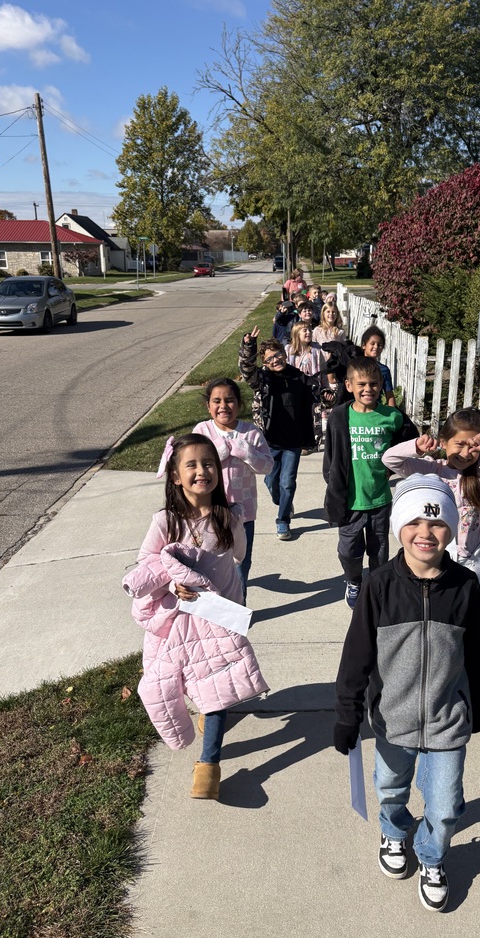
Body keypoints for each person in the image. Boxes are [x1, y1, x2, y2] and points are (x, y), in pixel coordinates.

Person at [332, 474, 480, 911]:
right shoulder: (378, 585)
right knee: (390, 788)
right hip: (393, 718)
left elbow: (478, 652)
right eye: (415, 523)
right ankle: (394, 831)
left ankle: (433, 855)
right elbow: (357, 656)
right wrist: (347, 713)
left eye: (439, 524)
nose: (426, 533)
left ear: (452, 529)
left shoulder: (464, 586)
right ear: (400, 526)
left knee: (445, 806)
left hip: (448, 719)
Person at [122, 434, 268, 801]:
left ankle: (209, 764)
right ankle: (204, 717)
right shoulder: (164, 522)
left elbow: (238, 556)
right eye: (192, 465)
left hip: (218, 618)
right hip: (176, 622)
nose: (202, 471)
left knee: (214, 687)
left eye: (209, 464)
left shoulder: (227, 516)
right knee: (184, 682)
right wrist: (172, 585)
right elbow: (147, 565)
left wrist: (232, 609)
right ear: (175, 476)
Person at [382, 407, 480, 635]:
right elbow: (389, 459)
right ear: (444, 442)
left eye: (473, 446)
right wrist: (416, 447)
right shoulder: (431, 469)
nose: (466, 452)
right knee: (445, 616)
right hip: (439, 559)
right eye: (459, 444)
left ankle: (477, 657)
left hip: (474, 559)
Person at [323, 356, 418, 608]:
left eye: (374, 384)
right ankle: (354, 580)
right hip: (350, 501)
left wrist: (392, 468)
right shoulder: (339, 416)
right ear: (349, 385)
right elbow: (330, 455)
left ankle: (378, 588)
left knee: (379, 552)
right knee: (348, 551)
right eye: (362, 384)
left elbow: (411, 441)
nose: (368, 389)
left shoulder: (392, 416)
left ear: (381, 384)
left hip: (379, 499)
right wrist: (332, 482)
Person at [239, 328, 332, 540]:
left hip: (294, 441)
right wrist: (249, 346)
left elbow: (320, 396)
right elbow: (246, 369)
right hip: (269, 441)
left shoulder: (300, 377)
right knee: (271, 482)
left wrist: (328, 396)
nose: (275, 360)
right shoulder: (262, 379)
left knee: (288, 481)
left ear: (285, 353)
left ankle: (283, 520)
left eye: (278, 355)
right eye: (270, 358)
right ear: (264, 362)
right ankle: (284, 502)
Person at [193, 378, 273, 599]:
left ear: (239, 404)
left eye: (229, 400)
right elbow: (190, 464)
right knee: (208, 563)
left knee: (240, 565)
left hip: (243, 514)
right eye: (216, 401)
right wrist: (215, 455)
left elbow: (267, 466)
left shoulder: (250, 433)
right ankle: (212, 606)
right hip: (207, 512)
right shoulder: (202, 431)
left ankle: (237, 608)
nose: (223, 406)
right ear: (208, 406)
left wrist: (247, 453)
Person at [286, 321, 329, 453]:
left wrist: (325, 388)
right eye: (304, 330)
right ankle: (298, 441)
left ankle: (313, 443)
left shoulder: (316, 350)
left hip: (313, 386)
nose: (308, 332)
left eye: (309, 330)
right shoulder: (289, 350)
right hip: (295, 386)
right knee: (298, 414)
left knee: (314, 415)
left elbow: (323, 370)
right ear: (296, 334)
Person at [314, 301, 359, 406]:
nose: (331, 314)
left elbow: (343, 350)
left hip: (334, 365)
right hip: (321, 364)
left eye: (333, 312)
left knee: (332, 392)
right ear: (323, 314)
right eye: (328, 312)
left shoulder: (340, 332)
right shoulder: (317, 330)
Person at [360, 325, 396, 407]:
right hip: (356, 411)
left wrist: (394, 415)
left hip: (376, 412)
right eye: (372, 343)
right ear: (364, 345)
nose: (376, 347)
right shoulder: (355, 367)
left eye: (379, 345)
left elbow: (389, 395)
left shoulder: (384, 370)